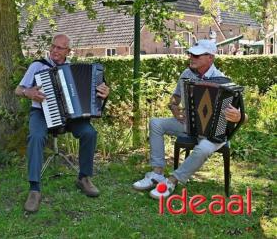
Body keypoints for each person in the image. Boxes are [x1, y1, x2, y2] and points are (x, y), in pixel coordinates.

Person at [132, 39, 246, 199]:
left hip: (214, 132)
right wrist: (174, 109)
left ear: (210, 58)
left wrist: (239, 116)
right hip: (189, 124)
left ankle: (171, 181)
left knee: (204, 148)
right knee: (155, 123)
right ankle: (157, 173)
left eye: (196, 55)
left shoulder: (224, 82)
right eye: (191, 54)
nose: (191, 57)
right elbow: (175, 98)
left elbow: (243, 116)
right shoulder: (186, 74)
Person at [15, 33, 110, 212]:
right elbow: (18, 89)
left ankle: (84, 178)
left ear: (68, 51)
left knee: (90, 133)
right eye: (53, 46)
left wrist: (105, 92)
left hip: (71, 116)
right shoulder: (37, 66)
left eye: (60, 48)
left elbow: (95, 95)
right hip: (41, 112)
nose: (54, 50)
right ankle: (34, 189)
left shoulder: (72, 68)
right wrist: (28, 93)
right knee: (36, 136)